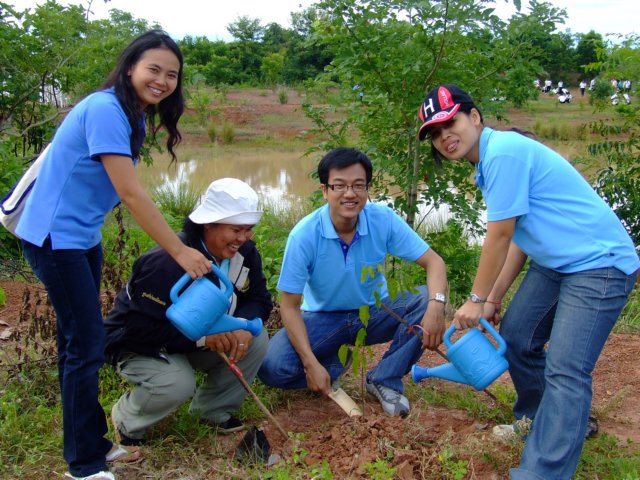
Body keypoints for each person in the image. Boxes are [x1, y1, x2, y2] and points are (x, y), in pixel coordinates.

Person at [15, 30, 212, 480]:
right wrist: (180, 250)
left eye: (172, 75)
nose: (162, 81)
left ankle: (93, 444)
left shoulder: (131, 114)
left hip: (82, 236)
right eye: (153, 69)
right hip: (54, 237)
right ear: (130, 69)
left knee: (79, 343)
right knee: (85, 347)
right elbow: (130, 192)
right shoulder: (106, 109)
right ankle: (83, 465)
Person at [417, 84, 639, 480]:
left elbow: (499, 235)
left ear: (475, 117)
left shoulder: (503, 153)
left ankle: (542, 471)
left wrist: (475, 299)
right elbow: (518, 237)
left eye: (451, 123)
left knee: (566, 370)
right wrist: (493, 298)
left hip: (598, 263)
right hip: (557, 263)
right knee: (518, 336)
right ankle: (542, 419)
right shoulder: (489, 162)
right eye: (435, 133)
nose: (445, 136)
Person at [258, 147, 448, 417]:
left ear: (367, 189)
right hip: (322, 319)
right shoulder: (304, 236)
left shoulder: (382, 220)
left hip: (374, 312)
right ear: (325, 190)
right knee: (272, 367)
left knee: (425, 298)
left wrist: (437, 306)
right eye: (340, 185)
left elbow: (435, 262)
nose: (350, 193)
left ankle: (384, 379)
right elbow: (289, 306)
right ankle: (333, 364)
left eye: (359, 185)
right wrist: (310, 363)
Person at [105, 178, 271, 445]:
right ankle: (127, 420)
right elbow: (138, 329)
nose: (242, 238)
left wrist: (243, 324)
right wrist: (204, 337)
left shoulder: (245, 254)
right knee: (177, 383)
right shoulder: (165, 262)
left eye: (248, 229)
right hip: (140, 344)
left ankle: (212, 410)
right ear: (209, 224)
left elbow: (259, 298)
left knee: (256, 337)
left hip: (193, 341)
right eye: (236, 229)